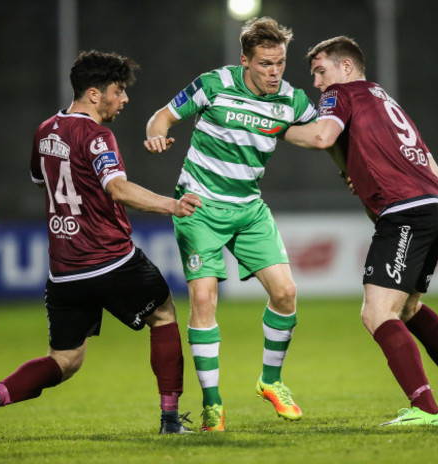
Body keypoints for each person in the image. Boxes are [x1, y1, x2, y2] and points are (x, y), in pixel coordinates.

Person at [0, 50, 203, 443]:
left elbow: (42, 181)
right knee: (164, 316)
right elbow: (117, 188)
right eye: (118, 92)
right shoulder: (98, 135)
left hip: (64, 268)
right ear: (92, 93)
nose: (124, 99)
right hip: (110, 258)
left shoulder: (45, 130)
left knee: (65, 361)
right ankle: (171, 420)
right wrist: (171, 205)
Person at [282, 36, 438, 426]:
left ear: (346, 67)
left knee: (376, 313)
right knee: (408, 308)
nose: (318, 83)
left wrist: (273, 131)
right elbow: (434, 170)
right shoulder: (382, 98)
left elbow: (322, 137)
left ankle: (425, 408)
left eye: (321, 71)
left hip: (406, 213)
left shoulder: (341, 92)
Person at [143, 17, 317, 431]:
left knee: (286, 294)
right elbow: (162, 117)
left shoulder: (291, 99)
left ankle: (271, 382)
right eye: (265, 64)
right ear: (245, 60)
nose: (275, 72)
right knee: (204, 300)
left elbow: (324, 133)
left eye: (280, 63)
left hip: (249, 208)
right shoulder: (214, 84)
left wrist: (348, 167)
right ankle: (213, 406)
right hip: (199, 205)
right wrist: (155, 135)